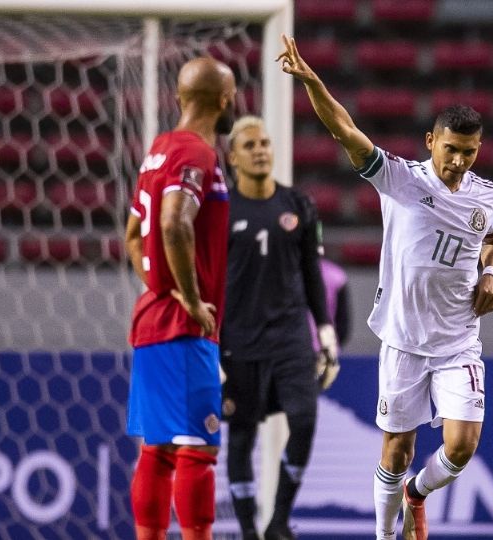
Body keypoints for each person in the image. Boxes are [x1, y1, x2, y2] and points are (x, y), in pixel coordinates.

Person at [277, 35, 493, 540]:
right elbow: (344, 131)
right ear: (431, 142)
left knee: (462, 445)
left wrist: (491, 272)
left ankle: (417, 495)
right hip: (403, 339)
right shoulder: (402, 180)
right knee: (395, 451)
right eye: (450, 149)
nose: (459, 161)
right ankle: (385, 535)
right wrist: (313, 80)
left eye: (469, 152)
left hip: (458, 339)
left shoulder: (486, 196)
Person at [124, 56, 236, 540]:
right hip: (183, 327)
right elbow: (172, 221)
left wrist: (158, 285)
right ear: (225, 101)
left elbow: (132, 234)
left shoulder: (159, 149)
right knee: (196, 451)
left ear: (180, 97)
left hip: (152, 319)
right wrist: (189, 299)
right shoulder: (197, 152)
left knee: (160, 449)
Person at [220, 115, 339, 540]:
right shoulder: (220, 210)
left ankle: (279, 521)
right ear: (233, 157)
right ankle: (249, 529)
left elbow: (311, 273)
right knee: (241, 436)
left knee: (304, 420)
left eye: (265, 143)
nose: (260, 150)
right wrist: (212, 347)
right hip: (238, 341)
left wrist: (325, 332)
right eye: (250, 145)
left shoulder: (298, 205)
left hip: (290, 337)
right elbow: (212, 283)